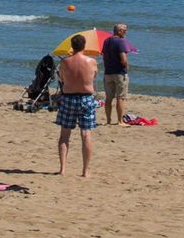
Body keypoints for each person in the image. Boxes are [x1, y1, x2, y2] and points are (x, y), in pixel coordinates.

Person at [57, 34, 99, 177]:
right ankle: (85, 171)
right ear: (84, 46)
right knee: (86, 134)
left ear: (72, 46)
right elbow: (94, 77)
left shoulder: (65, 62)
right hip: (86, 98)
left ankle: (63, 169)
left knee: (64, 135)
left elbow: (62, 78)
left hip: (69, 98)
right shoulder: (91, 61)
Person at [100, 23, 133, 125]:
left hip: (108, 72)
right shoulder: (120, 42)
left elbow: (104, 55)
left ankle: (108, 120)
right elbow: (123, 58)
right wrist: (127, 66)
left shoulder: (106, 41)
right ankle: (120, 121)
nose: (126, 32)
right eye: (124, 30)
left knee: (109, 98)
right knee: (120, 97)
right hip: (119, 73)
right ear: (119, 31)